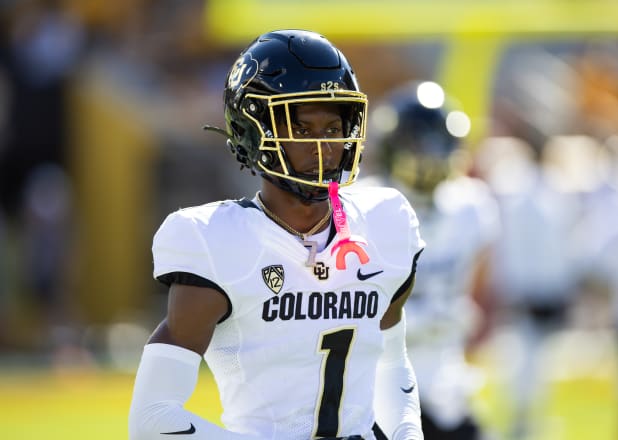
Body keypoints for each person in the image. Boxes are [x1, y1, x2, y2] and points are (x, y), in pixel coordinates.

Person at [128, 29, 425, 440]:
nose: (323, 145)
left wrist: (408, 434)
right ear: (252, 131)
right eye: (301, 128)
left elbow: (392, 364)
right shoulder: (214, 241)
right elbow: (152, 419)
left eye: (333, 126)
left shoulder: (385, 222)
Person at [365, 81, 499, 439]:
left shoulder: (471, 206)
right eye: (419, 144)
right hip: (380, 383)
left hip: (446, 377)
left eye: (438, 144)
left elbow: (478, 282)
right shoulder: (363, 208)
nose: (430, 155)